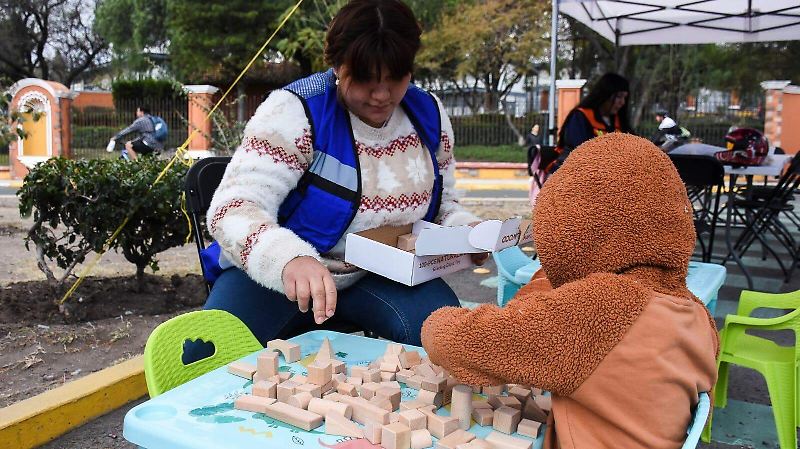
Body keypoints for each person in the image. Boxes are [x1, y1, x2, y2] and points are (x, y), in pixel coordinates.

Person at [199, 0, 486, 349]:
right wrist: (291, 259)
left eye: (395, 79)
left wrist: (467, 232)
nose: (382, 95)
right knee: (206, 350)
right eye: (365, 79)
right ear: (337, 65)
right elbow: (231, 209)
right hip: (283, 275)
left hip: (379, 275)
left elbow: (443, 206)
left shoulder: (429, 116)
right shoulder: (295, 112)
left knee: (445, 334)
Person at [422, 133, 718, 449]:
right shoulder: (695, 310)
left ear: (569, 223)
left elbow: (461, 342)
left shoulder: (600, 308)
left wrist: (433, 325)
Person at [548, 73, 633, 173]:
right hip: (573, 174)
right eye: (619, 97)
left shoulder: (619, 121)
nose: (622, 102)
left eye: (624, 98)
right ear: (605, 95)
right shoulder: (580, 117)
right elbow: (581, 152)